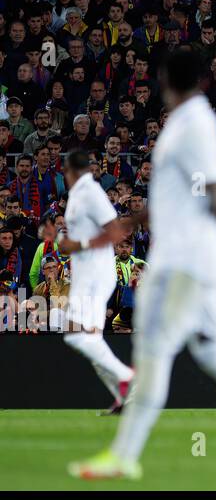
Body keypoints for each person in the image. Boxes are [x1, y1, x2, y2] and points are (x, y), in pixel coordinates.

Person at [68, 51, 216, 481]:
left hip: (181, 261)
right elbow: (180, 198)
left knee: (153, 352)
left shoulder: (191, 124)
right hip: (198, 259)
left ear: (164, 80)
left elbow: (215, 192)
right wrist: (131, 222)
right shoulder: (194, 122)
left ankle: (123, 456)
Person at [56, 149, 134, 414]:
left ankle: (127, 376)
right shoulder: (77, 195)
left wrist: (77, 243)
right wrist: (58, 241)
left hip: (96, 275)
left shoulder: (91, 193)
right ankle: (124, 399)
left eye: (65, 170)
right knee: (91, 341)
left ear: (73, 171)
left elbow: (115, 231)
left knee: (74, 336)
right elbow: (72, 244)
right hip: (85, 275)